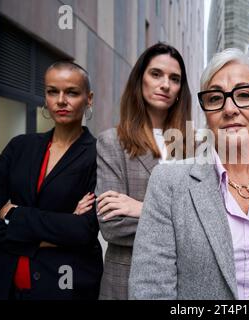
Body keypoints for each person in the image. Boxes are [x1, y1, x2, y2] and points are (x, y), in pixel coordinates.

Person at [128, 48, 249, 300]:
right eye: (215, 98)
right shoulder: (169, 183)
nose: (229, 109)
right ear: (207, 113)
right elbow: (149, 291)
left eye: (244, 95)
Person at [0, 61, 103, 300]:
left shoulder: (98, 154)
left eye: (71, 92)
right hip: (5, 281)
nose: (61, 100)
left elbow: (83, 231)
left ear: (89, 98)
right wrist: (60, 227)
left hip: (65, 285)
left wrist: (13, 215)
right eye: (53, 91)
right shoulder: (19, 146)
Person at [95, 43, 192, 300]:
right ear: (140, 79)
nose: (165, 85)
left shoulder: (195, 146)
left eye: (175, 79)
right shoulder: (112, 142)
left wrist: (141, 208)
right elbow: (112, 226)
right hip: (126, 282)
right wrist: (185, 221)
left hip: (185, 283)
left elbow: (211, 222)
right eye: (156, 74)